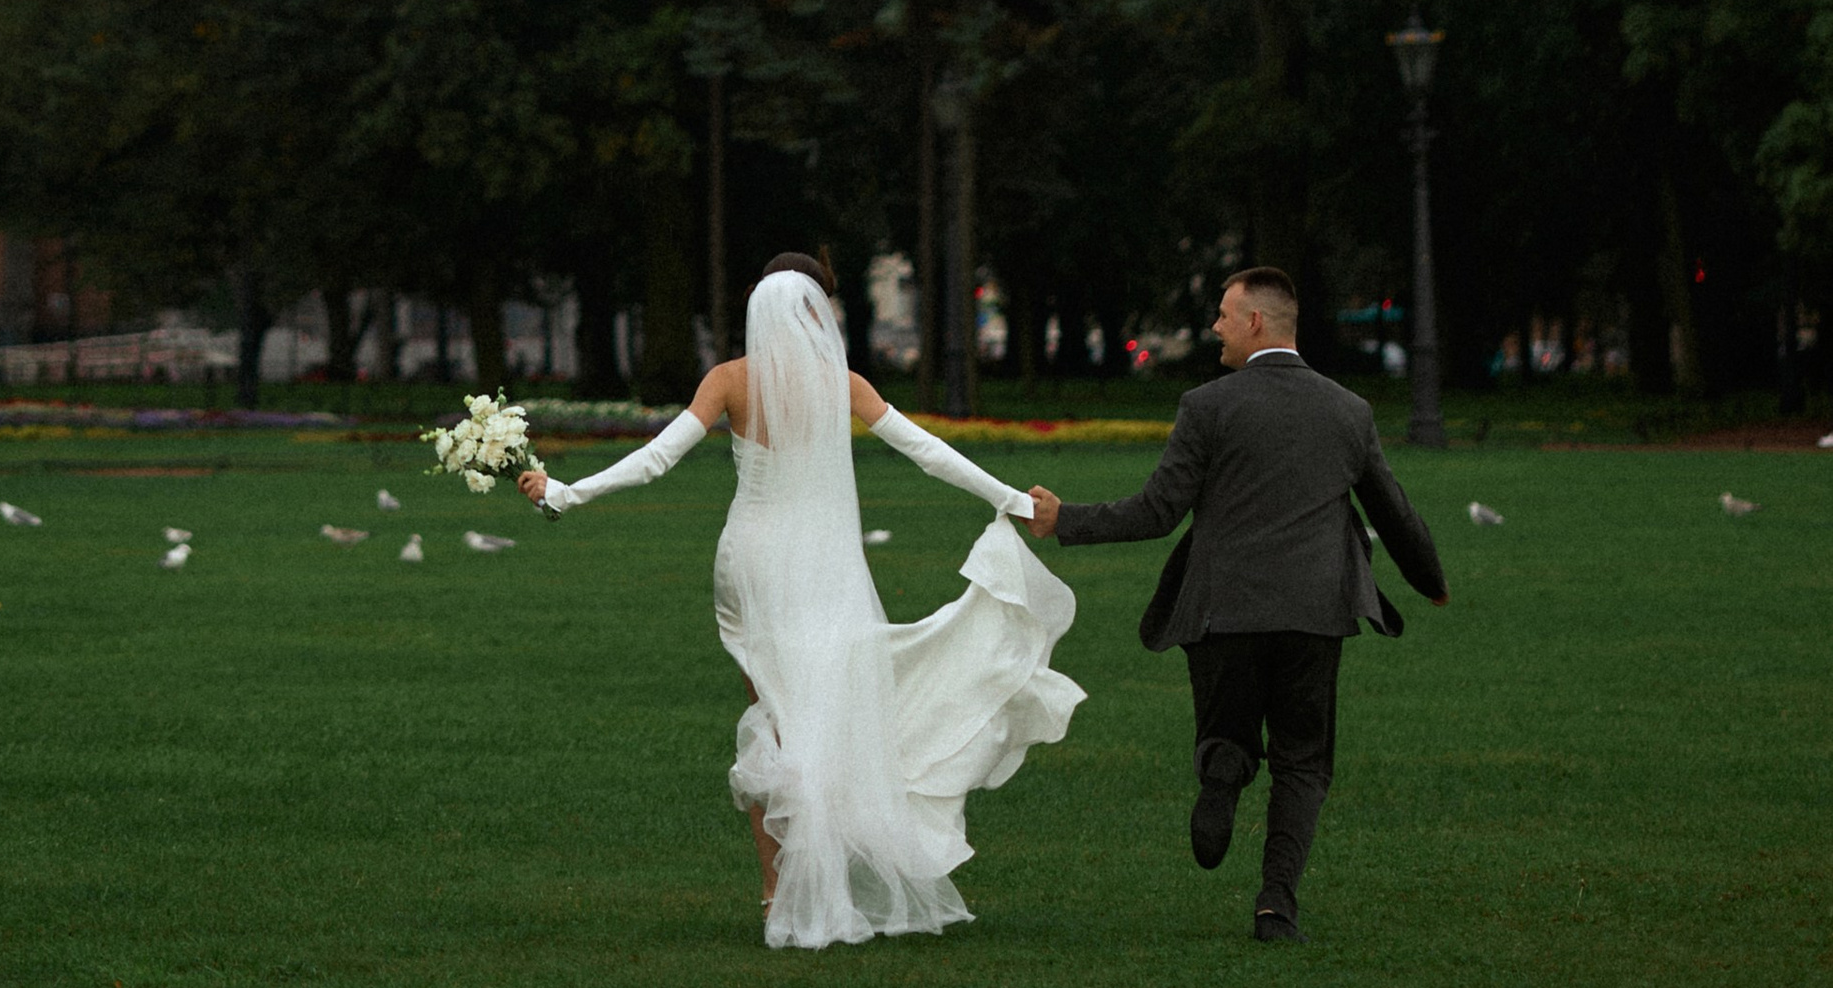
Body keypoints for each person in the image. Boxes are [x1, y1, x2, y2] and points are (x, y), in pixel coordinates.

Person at [517, 253, 1082, 949]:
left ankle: (777, 891)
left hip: (753, 562)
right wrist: (1013, 498)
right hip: (823, 564)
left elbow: (658, 456)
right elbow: (927, 450)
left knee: (776, 715)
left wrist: (565, 492)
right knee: (820, 715)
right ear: (819, 307)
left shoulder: (730, 379)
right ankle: (811, 887)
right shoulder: (840, 383)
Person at [1025, 264, 1448, 946]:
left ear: (1255, 321)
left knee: (1227, 731)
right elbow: (1392, 512)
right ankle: (1276, 905)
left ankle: (1223, 769)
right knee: (1303, 760)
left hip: (1224, 614)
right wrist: (1431, 579)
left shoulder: (1207, 406)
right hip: (1316, 614)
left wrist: (1063, 518)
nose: (1214, 325)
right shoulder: (1348, 409)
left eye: (1223, 313)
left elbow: (1158, 510)